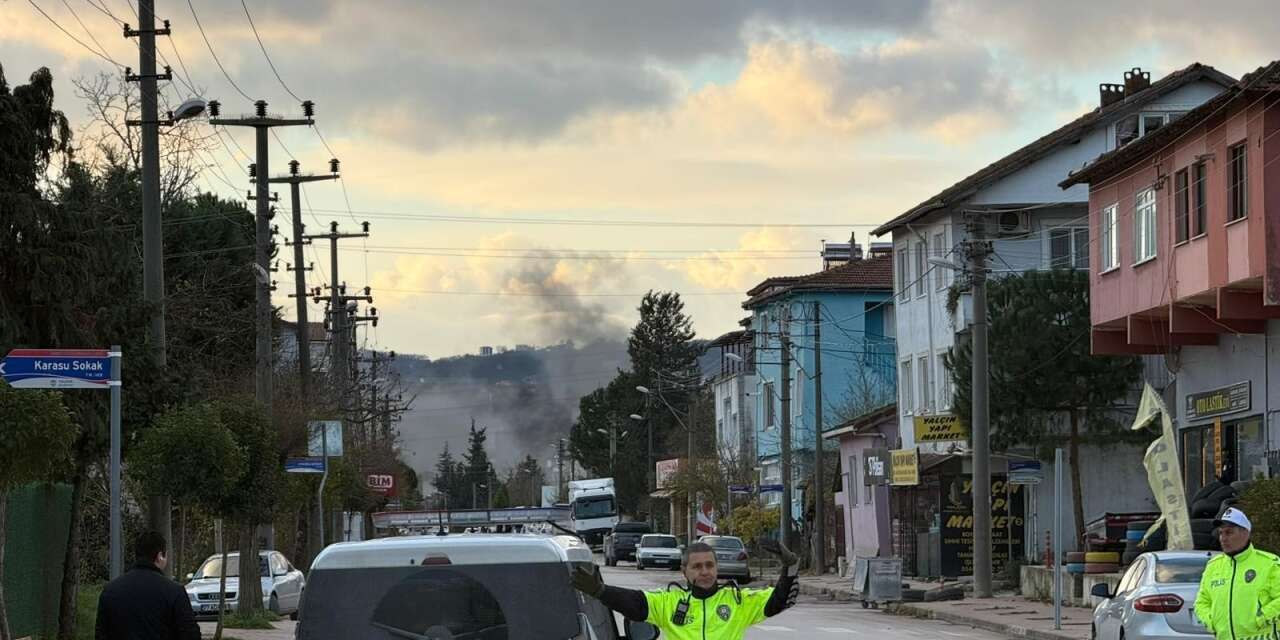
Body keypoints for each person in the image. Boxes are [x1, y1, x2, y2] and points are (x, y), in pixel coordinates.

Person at [572, 538, 799, 640]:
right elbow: (635, 603)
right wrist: (600, 591)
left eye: (709, 565)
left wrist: (790, 567)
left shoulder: (738, 601)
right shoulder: (670, 602)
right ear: (685, 572)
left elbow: (781, 599)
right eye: (697, 566)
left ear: (717, 569)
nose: (704, 572)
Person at [96, 531, 201, 640]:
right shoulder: (174, 592)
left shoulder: (110, 591)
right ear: (160, 556)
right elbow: (190, 634)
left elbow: (101, 634)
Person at [1195, 507, 1280, 640]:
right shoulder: (1213, 566)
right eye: (1221, 533)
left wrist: (1261, 618)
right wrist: (1211, 622)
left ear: (1245, 533)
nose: (1223, 538)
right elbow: (1201, 602)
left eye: (1229, 533)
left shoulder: (1269, 563)